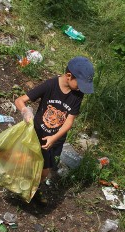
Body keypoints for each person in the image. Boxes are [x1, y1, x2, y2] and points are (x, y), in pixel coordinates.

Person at [15, 56, 94, 204]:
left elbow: (69, 121)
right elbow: (20, 100)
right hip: (37, 134)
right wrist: (25, 112)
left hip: (54, 140)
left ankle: (34, 190)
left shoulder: (78, 94)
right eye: (81, 84)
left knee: (44, 171)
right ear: (69, 76)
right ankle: (20, 186)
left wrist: (54, 138)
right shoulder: (50, 85)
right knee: (28, 162)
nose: (82, 88)